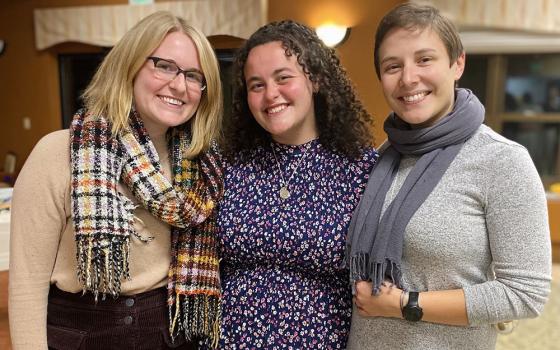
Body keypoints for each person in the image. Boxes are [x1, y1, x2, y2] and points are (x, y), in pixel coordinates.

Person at [9, 11, 223, 349]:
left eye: (194, 75)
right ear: (130, 65)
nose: (179, 85)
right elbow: (26, 287)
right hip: (82, 333)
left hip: (172, 333)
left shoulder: (204, 166)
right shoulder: (56, 153)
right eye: (164, 66)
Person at [345, 3, 552, 349]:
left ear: (458, 63)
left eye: (424, 60)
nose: (408, 78)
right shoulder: (382, 158)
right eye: (392, 66)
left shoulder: (502, 161)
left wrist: (403, 304)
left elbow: (525, 293)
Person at [216, 20, 377, 348]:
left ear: (315, 79)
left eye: (283, 78)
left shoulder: (361, 169)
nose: (270, 94)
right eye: (256, 85)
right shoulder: (229, 164)